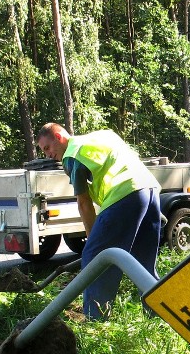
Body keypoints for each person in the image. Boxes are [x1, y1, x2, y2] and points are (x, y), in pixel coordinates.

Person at [37, 123, 162, 319]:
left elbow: (84, 204)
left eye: (47, 148)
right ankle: (159, 315)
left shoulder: (72, 155)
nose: (48, 154)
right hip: (149, 190)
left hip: (123, 194)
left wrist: (93, 242)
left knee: (95, 258)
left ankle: (96, 320)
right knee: (143, 264)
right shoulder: (99, 137)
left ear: (59, 137)